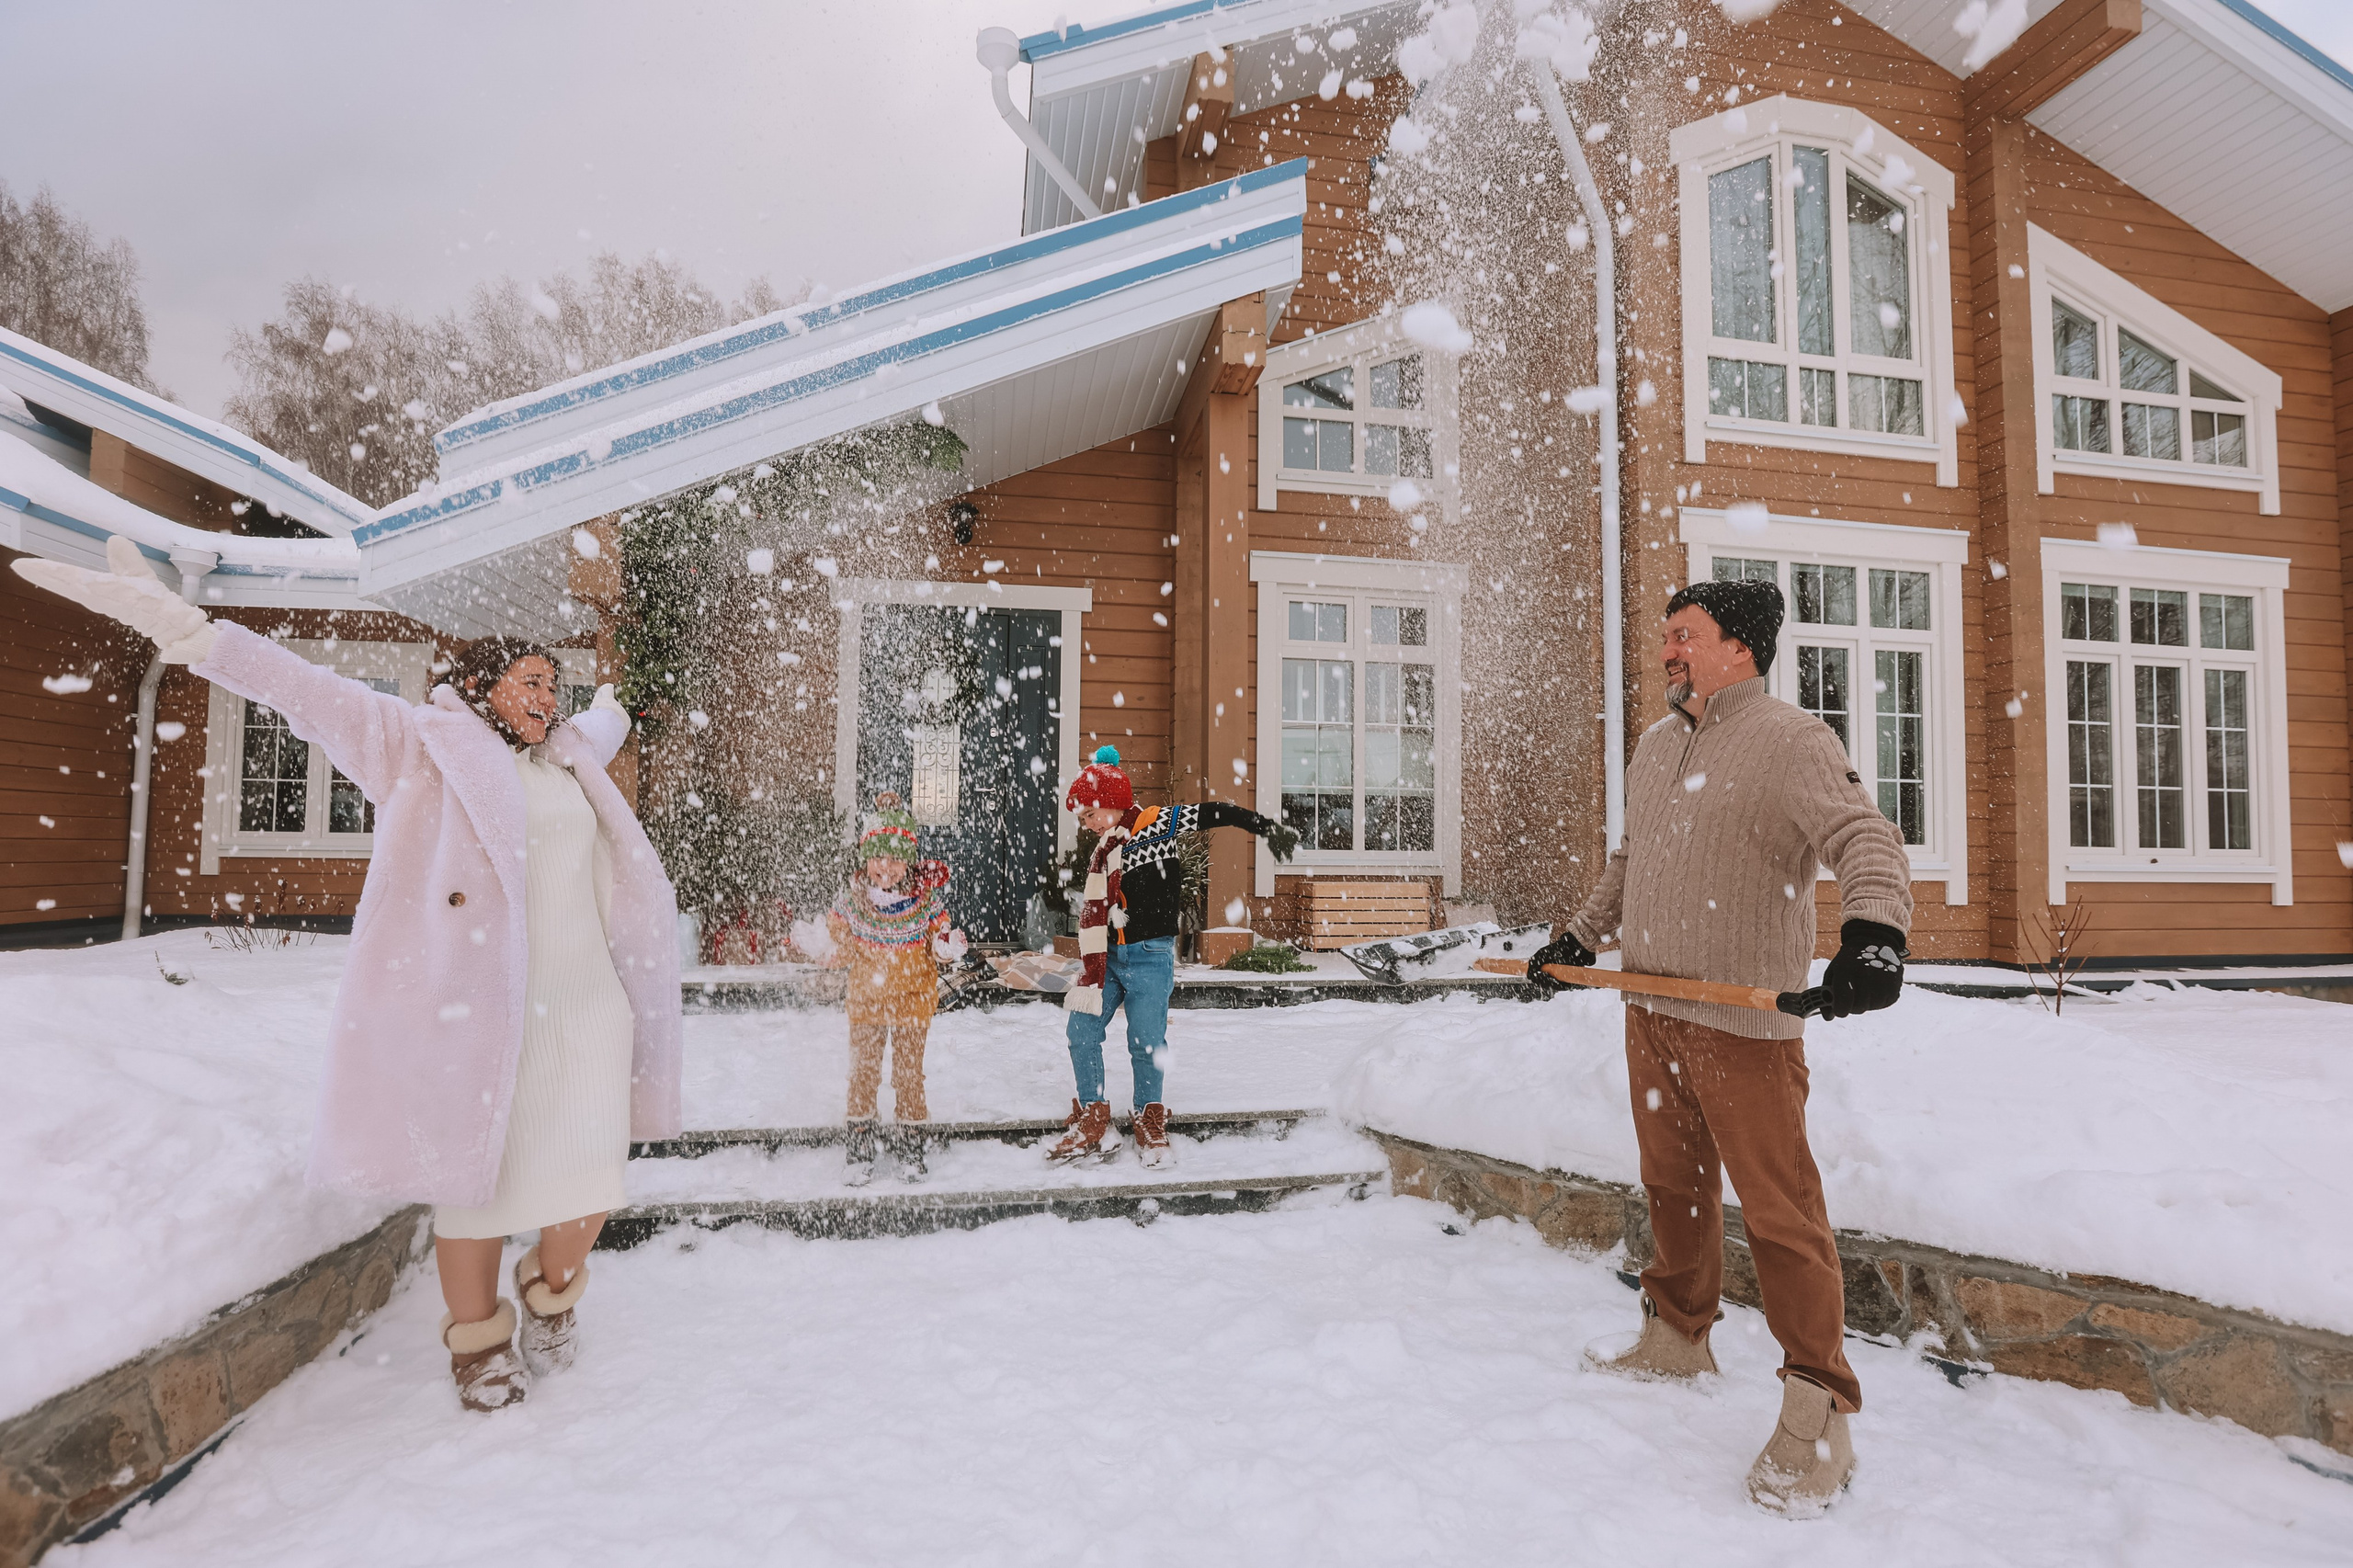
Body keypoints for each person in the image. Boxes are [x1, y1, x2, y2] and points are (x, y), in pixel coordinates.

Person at [15, 540, 682, 1414]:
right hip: (485, 1012)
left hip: (588, 1008)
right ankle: (480, 1342)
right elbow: (306, 692)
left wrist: (611, 701)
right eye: (530, 682)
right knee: (475, 1189)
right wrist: (194, 634)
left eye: (554, 687)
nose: (547, 699)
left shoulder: (565, 752)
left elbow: (603, 722)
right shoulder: (418, 746)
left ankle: (551, 1291)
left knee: (591, 1176)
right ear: (481, 686)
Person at [1527, 578, 1911, 1514]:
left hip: (1743, 1024)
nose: (1667, 650)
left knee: (1781, 1214)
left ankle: (1819, 1403)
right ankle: (1677, 1334)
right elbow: (1633, 860)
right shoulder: (1658, 744)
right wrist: (1579, 936)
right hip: (1655, 1007)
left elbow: (1863, 835)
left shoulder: (1790, 739)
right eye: (1666, 635)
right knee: (1673, 1183)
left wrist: (1874, 934)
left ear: (1739, 647)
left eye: (1684, 635)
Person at [1046, 747, 1298, 1167]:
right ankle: (1093, 1116)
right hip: (1108, 959)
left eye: (1090, 814)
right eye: (1084, 818)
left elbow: (1215, 812)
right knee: (1081, 1030)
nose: (1088, 824)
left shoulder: (1157, 824)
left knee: (1146, 1042)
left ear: (1112, 802)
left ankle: (1149, 1118)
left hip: (1150, 956)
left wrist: (1265, 827)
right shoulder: (1104, 851)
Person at [825, 793, 963, 1186]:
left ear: (908, 863)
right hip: (866, 1001)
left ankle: (911, 1146)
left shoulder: (926, 903)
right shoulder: (852, 903)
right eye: (877, 858)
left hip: (912, 1001)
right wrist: (820, 947)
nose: (884, 867)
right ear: (865, 859)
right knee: (863, 1073)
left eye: (895, 859)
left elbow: (940, 943)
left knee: (908, 1075)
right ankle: (859, 1147)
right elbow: (838, 945)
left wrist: (946, 948)